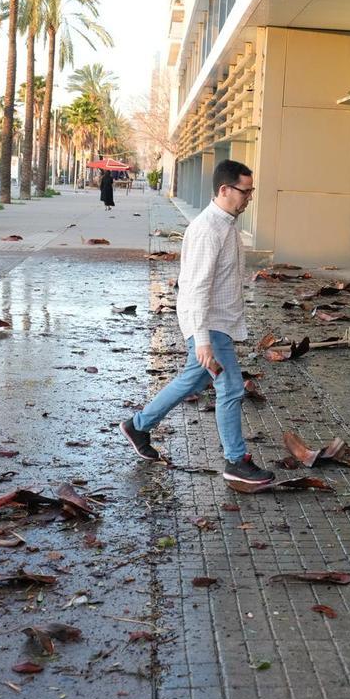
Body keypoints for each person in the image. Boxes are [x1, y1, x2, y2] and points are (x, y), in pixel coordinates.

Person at [120, 159, 274, 487]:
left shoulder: (227, 224)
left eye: (252, 191)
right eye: (246, 192)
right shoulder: (208, 229)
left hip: (216, 322)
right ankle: (235, 461)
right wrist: (202, 338)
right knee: (230, 388)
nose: (249, 198)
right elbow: (196, 287)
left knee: (193, 380)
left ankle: (138, 425)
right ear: (224, 190)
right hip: (208, 323)